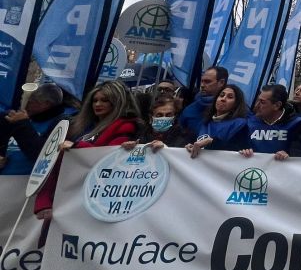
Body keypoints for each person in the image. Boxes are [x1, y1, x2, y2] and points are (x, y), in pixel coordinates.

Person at [34, 81, 141, 220]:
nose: (97, 104)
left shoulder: (126, 128)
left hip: (94, 200)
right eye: (95, 100)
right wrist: (43, 202)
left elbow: (109, 158)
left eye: (104, 100)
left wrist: (76, 147)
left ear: (117, 102)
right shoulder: (81, 127)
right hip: (67, 195)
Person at [0, 83, 77, 174]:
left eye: (31, 101)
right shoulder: (25, 120)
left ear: (46, 104)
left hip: (26, 182)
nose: (27, 104)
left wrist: (22, 124)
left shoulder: (60, 124)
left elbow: (41, 154)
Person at [240, 84, 301, 160]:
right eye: (258, 100)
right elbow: (237, 147)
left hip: (282, 170)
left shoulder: (298, 123)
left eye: (262, 102)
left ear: (277, 105)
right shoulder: (248, 122)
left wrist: (290, 155)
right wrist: (243, 151)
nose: (256, 105)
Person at [187, 84, 251, 157]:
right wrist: (190, 146)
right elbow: (197, 144)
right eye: (221, 95)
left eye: (230, 97)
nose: (223, 99)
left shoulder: (240, 124)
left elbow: (234, 147)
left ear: (236, 104)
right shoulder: (204, 122)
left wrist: (212, 142)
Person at [122, 95, 194, 150]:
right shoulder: (140, 134)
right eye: (159, 115)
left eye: (168, 115)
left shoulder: (184, 135)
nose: (164, 117)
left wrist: (165, 149)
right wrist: (128, 147)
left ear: (174, 116)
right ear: (151, 117)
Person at [179, 66, 227, 131]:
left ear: (221, 82)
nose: (202, 85)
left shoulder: (234, 112)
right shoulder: (190, 109)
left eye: (207, 81)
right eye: (202, 81)